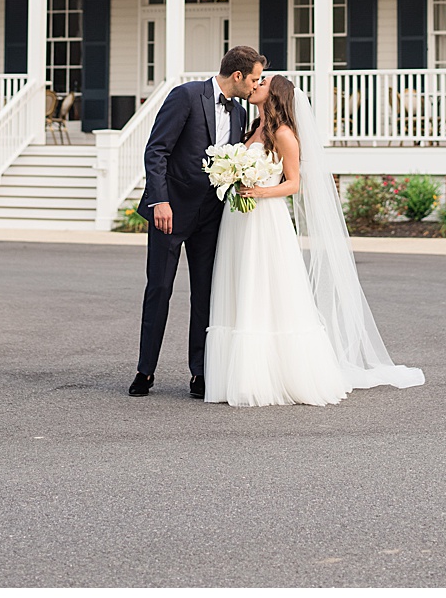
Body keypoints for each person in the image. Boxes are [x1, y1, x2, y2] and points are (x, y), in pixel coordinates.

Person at [205, 74, 425, 407]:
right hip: (238, 221)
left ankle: (273, 377)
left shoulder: (284, 135)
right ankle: (240, 376)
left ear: (274, 95)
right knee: (241, 288)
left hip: (266, 220)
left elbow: (293, 184)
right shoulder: (250, 130)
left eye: (261, 83)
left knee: (268, 292)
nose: (255, 86)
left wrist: (259, 190)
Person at [130, 46, 262, 398]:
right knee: (159, 289)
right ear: (237, 76)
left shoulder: (239, 112)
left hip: (211, 216)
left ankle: (200, 373)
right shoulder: (186, 96)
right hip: (170, 213)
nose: (255, 86)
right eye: (253, 79)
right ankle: (145, 371)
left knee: (206, 294)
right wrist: (159, 200)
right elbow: (156, 150)